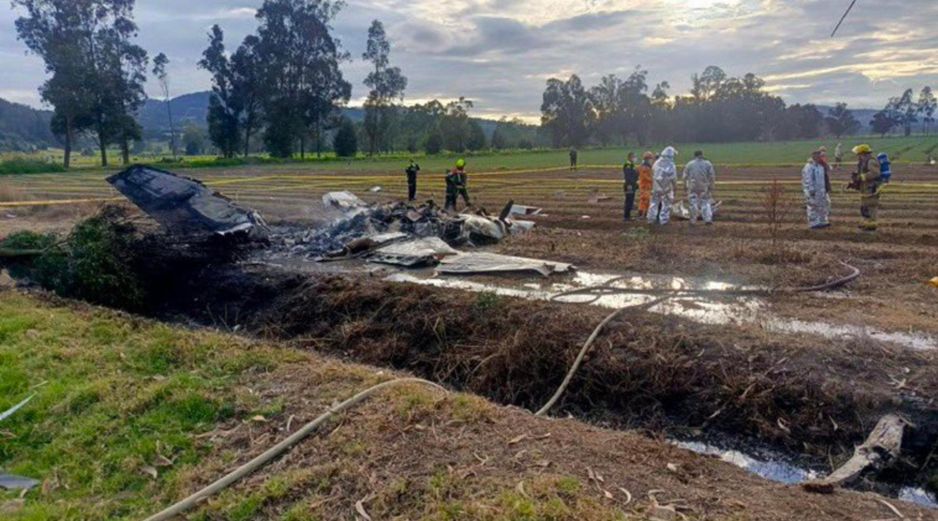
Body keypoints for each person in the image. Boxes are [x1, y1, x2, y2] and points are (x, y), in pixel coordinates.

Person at [850, 144, 882, 231]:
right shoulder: (864, 161)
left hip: (871, 188)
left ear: (863, 153)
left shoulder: (871, 161)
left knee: (871, 206)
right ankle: (866, 223)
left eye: (859, 154)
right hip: (865, 187)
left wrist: (862, 177)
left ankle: (871, 225)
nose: (858, 156)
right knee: (864, 206)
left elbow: (875, 173)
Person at [683, 150, 716, 224]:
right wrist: (712, 185)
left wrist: (685, 185)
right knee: (705, 202)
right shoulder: (707, 164)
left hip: (692, 186)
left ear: (694, 156)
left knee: (693, 203)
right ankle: (707, 219)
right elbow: (712, 176)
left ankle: (693, 220)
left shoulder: (689, 164)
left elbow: (684, 176)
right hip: (704, 186)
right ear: (702, 155)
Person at [648, 146, 678, 225]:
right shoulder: (671, 165)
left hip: (656, 186)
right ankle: (663, 220)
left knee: (654, 203)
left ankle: (651, 219)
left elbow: (652, 172)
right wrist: (675, 187)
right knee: (666, 204)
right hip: (666, 187)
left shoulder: (656, 162)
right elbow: (673, 177)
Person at [802, 149, 830, 229]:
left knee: (822, 205)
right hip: (813, 191)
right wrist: (810, 190)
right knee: (813, 206)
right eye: (817, 155)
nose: (819, 157)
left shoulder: (820, 166)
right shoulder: (809, 166)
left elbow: (829, 169)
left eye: (820, 155)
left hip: (821, 190)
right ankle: (813, 223)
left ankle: (823, 221)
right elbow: (808, 179)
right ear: (813, 156)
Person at [622, 152, 639, 221]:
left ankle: (628, 216)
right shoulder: (628, 165)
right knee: (629, 201)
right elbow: (629, 177)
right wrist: (632, 184)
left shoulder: (632, 165)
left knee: (631, 201)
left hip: (632, 185)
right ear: (629, 158)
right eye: (634, 157)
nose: (635, 158)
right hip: (629, 186)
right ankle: (626, 217)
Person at [637, 151, 654, 218]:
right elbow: (646, 177)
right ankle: (643, 214)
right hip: (645, 186)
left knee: (645, 200)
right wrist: (653, 180)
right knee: (645, 200)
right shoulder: (644, 167)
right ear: (647, 159)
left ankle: (642, 213)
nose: (651, 160)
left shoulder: (647, 167)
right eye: (651, 159)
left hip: (647, 186)